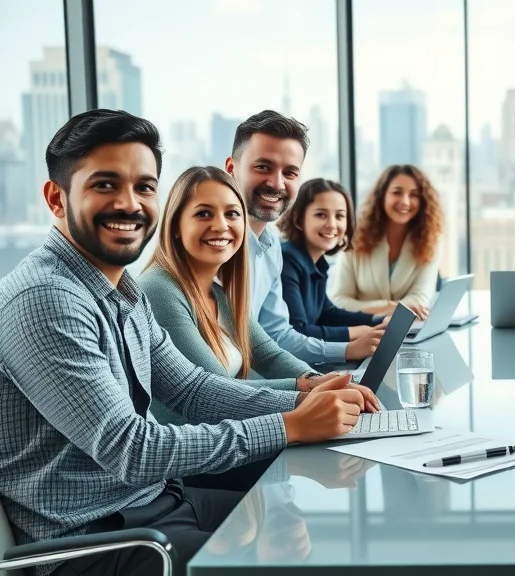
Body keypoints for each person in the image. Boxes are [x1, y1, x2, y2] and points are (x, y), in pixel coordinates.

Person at [0, 110, 376, 576]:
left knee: (319, 531)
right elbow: (131, 449)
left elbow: (193, 389)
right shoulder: (46, 299)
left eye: (144, 186)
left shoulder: (121, 289)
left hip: (155, 504)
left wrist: (306, 395)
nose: (130, 203)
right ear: (56, 198)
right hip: (96, 539)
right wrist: (290, 425)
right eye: (104, 185)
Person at [139, 167, 376, 425]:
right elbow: (214, 391)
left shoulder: (219, 291)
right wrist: (307, 394)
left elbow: (268, 355)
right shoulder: (159, 289)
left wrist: (316, 380)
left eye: (232, 214)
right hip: (198, 453)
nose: (221, 226)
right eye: (203, 213)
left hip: (233, 437)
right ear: (175, 226)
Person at [224, 110, 382, 364]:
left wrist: (316, 381)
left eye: (290, 173)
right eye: (263, 166)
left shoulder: (271, 246)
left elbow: (278, 336)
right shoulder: (216, 246)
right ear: (231, 168)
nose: (276, 184)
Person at [277, 178, 386, 343]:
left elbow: (327, 313)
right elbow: (297, 330)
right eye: (321, 215)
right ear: (299, 220)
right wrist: (357, 332)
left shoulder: (317, 263)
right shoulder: (287, 260)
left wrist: (378, 320)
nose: (332, 224)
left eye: (340, 216)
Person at [328, 164, 444, 319]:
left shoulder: (431, 239)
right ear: (382, 195)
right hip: (359, 330)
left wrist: (392, 311)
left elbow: (420, 296)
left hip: (406, 329)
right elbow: (340, 300)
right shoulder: (355, 236)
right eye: (397, 192)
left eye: (414, 195)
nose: (405, 201)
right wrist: (388, 308)